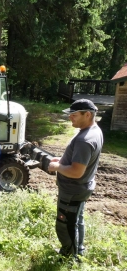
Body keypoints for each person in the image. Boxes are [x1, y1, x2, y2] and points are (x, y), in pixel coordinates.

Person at [48, 99, 103, 260]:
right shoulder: (94, 131)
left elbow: (77, 171)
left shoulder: (84, 140)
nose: (70, 117)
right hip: (81, 188)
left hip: (73, 190)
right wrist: (64, 160)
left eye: (74, 115)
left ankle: (69, 257)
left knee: (65, 224)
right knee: (77, 220)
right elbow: (80, 161)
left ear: (87, 114)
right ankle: (78, 250)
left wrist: (57, 167)